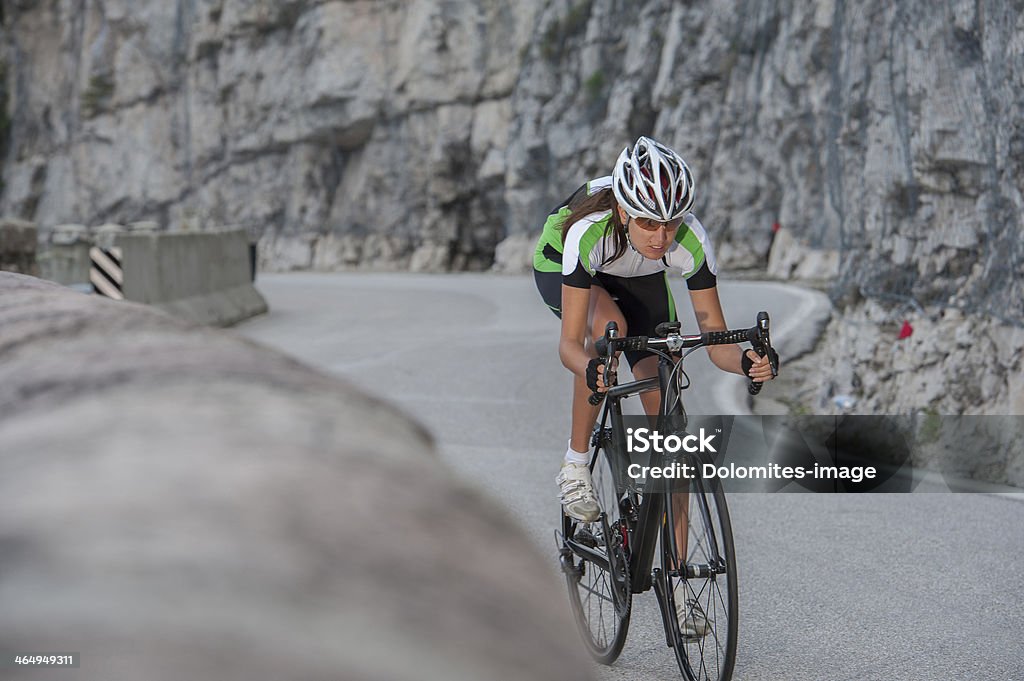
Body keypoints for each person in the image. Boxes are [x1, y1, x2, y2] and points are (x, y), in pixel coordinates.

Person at [533, 135, 777, 521]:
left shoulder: (689, 239)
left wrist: (748, 361)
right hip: (565, 264)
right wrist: (593, 368)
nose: (661, 237)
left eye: (670, 223)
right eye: (648, 222)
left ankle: (675, 576)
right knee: (610, 328)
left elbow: (716, 342)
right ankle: (576, 464)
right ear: (625, 212)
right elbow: (570, 347)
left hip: (639, 276)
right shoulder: (588, 230)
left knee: (668, 423)